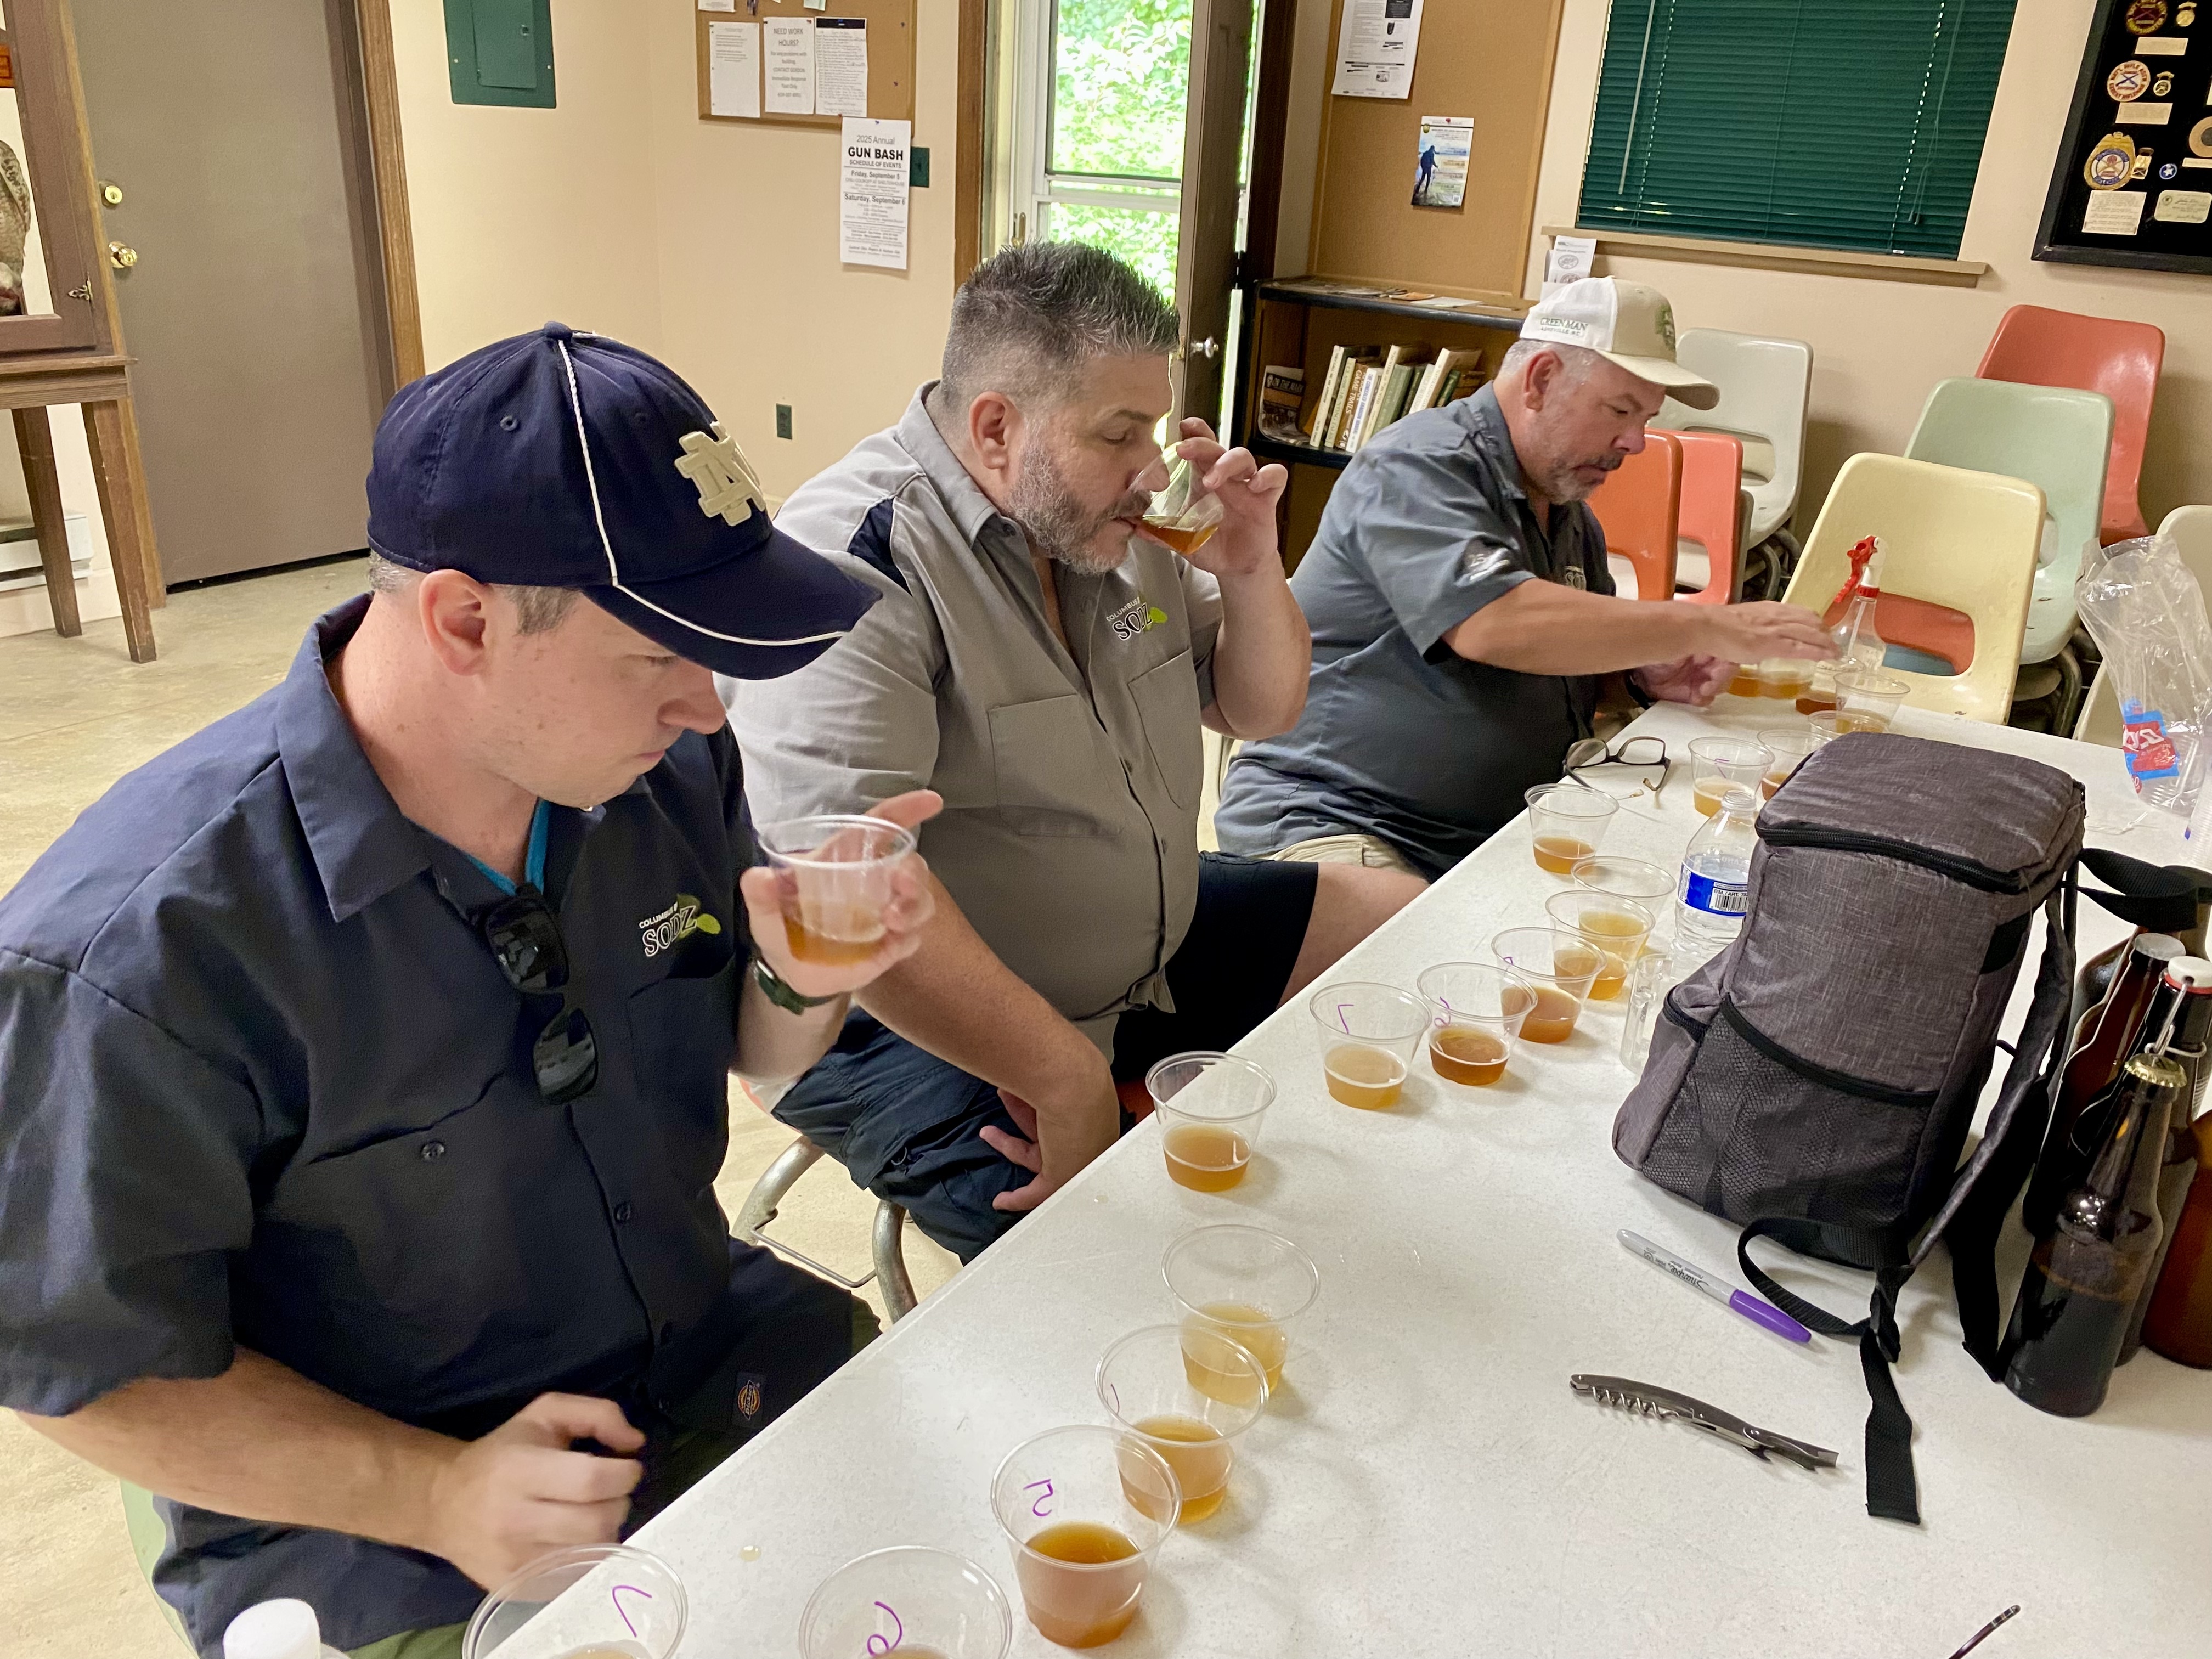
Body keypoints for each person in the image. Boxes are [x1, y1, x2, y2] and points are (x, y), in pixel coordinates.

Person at [0, 324, 939, 1658]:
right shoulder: (141, 955)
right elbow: (78, 1373)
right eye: (660, 655)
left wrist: (800, 981)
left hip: (693, 1356)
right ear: (464, 620)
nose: (709, 708)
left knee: (962, 1535)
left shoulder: (656, 779)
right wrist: (433, 1493)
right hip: (383, 1517)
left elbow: (749, 1054)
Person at [724, 243, 1423, 1262]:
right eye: (1119, 432)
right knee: (1105, 1253)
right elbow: (848, 903)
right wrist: (1066, 1076)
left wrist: (1252, 566)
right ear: (996, 427)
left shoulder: (1103, 521)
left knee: (1398, 918)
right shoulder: (852, 561)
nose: (1154, 467)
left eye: (1156, 426)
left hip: (1135, 949)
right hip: (895, 1011)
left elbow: (1260, 708)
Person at [1214, 276, 1833, 878]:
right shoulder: (1417, 465)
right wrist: (1702, 623)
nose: (1636, 441)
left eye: (1646, 417)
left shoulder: (1570, 516)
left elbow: (1567, 667)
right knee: (1416, 940)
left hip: (1490, 833)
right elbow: (1492, 622)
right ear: (1540, 379)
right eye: (1621, 410)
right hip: (1342, 817)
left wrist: (1640, 673)